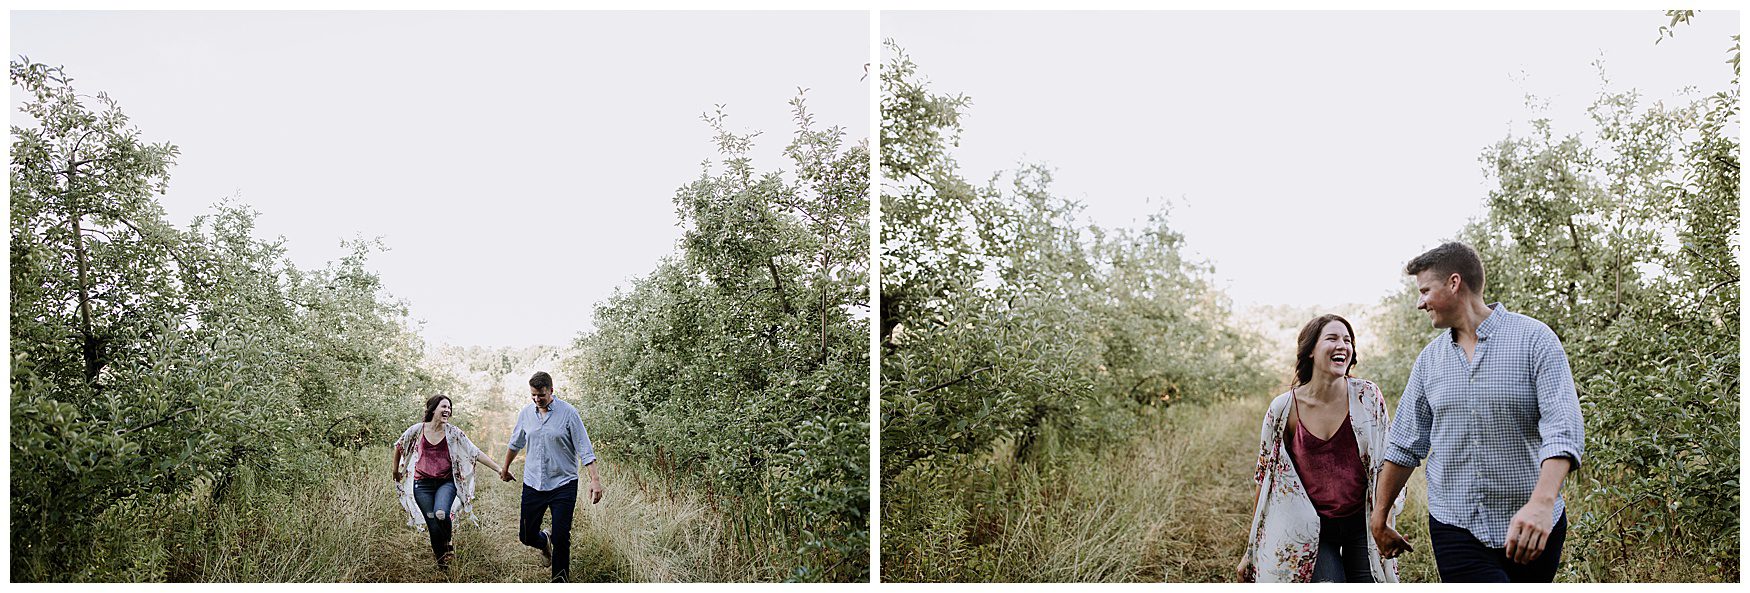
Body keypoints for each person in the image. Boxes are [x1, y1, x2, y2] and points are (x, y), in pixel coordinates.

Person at [1369, 242, 1584, 582]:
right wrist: (1380, 516)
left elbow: (1563, 429)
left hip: (1533, 528)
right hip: (1455, 527)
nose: (1420, 302)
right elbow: (1404, 445)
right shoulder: (1429, 361)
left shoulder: (1535, 340)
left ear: (1454, 283)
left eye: (1425, 290)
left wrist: (1542, 504)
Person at [1240, 314, 1403, 582]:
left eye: (1348, 340)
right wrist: (1252, 550)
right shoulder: (1283, 410)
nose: (1343, 345)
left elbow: (1387, 460)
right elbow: (1266, 481)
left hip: (1362, 521)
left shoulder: (1368, 397)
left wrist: (1383, 518)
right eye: (1332, 338)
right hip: (1312, 528)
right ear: (1311, 351)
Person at [500, 371, 603, 582]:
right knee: (526, 535)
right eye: (533, 396)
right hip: (533, 483)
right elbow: (515, 443)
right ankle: (543, 540)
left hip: (563, 484)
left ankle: (560, 581)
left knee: (562, 537)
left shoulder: (569, 414)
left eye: (541, 395)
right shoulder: (526, 413)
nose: (537, 400)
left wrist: (594, 479)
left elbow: (585, 448)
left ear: (551, 391)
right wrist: (505, 467)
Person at [392, 395, 507, 570]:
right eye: (444, 407)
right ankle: (442, 561)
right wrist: (396, 470)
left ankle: (448, 541)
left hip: (446, 482)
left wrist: (499, 469)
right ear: (432, 409)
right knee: (431, 522)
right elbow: (399, 446)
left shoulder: (454, 433)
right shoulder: (417, 430)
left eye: (449, 407)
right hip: (422, 484)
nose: (447, 410)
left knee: (440, 514)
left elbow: (474, 452)